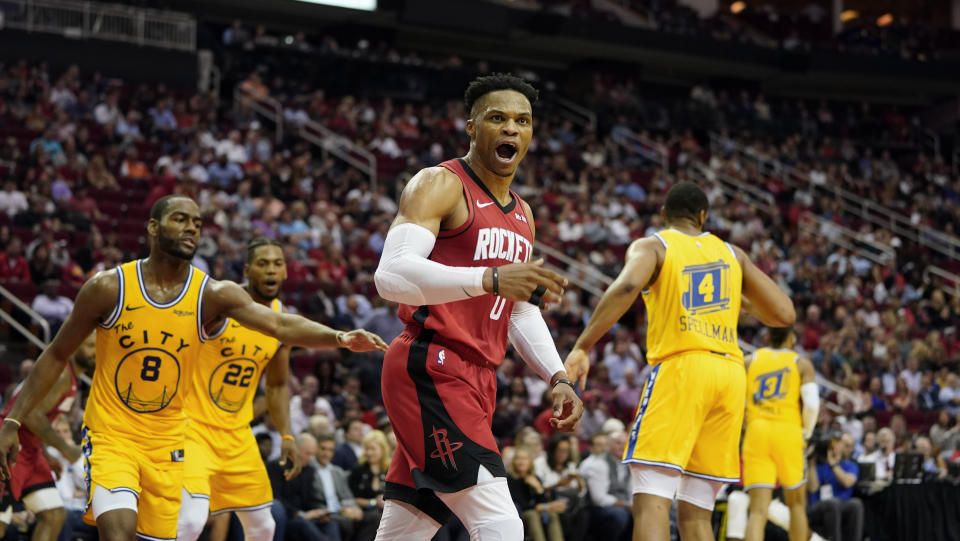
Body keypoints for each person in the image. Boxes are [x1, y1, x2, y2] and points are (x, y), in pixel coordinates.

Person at [0, 194, 387, 541]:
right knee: (117, 533)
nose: (191, 228)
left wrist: (337, 337)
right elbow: (55, 354)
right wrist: (13, 421)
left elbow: (279, 324)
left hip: (169, 441)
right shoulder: (109, 287)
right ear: (152, 228)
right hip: (112, 434)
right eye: (180, 219)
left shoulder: (211, 294)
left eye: (197, 223)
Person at [372, 73, 583, 540]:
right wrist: (488, 278)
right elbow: (391, 275)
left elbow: (521, 311)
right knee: (502, 525)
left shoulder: (523, 215)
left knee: (405, 531)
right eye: (498, 118)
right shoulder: (439, 184)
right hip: (432, 366)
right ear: (471, 127)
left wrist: (558, 376)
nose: (511, 129)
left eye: (522, 121)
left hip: (478, 378)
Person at [564, 181, 796, 541]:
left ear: (664, 215)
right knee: (696, 514)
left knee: (653, 500)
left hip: (683, 367)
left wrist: (583, 345)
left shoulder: (655, 244)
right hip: (731, 374)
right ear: (703, 216)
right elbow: (784, 314)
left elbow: (626, 288)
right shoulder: (732, 254)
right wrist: (738, 298)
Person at [178, 237, 378, 540]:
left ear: (286, 271)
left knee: (264, 526)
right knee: (190, 521)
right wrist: (341, 337)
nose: (270, 270)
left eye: (277, 263)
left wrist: (286, 435)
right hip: (192, 430)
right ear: (247, 270)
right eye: (262, 264)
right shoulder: (222, 302)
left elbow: (277, 384)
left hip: (237, 435)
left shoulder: (280, 313)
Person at [0, 332, 95, 541]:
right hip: (11, 445)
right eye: (89, 346)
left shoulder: (68, 376)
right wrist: (66, 449)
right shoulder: (61, 373)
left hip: (31, 451)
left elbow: (35, 416)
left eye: (98, 347)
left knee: (54, 515)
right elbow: (32, 416)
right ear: (75, 344)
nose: (95, 352)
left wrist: (46, 454)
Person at [742, 327, 819, 541]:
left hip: (757, 431)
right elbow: (812, 405)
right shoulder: (801, 363)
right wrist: (806, 431)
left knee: (758, 510)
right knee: (796, 504)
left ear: (767, 336)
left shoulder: (750, 360)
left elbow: (737, 398)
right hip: (788, 430)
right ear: (791, 337)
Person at [807, 435, 863, 541]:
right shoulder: (818, 465)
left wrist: (833, 464)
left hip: (842, 505)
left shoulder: (850, 465)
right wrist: (812, 463)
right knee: (832, 504)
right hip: (819, 505)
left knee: (856, 504)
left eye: (848, 446)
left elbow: (847, 482)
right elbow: (812, 488)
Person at [506, 447, 565, 541]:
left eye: (525, 458)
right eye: (518, 458)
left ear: (530, 461)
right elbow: (521, 504)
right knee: (532, 514)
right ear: (513, 462)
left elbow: (543, 501)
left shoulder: (535, 478)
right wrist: (544, 507)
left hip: (534, 510)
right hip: (519, 514)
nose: (521, 462)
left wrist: (538, 488)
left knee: (552, 514)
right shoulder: (510, 479)